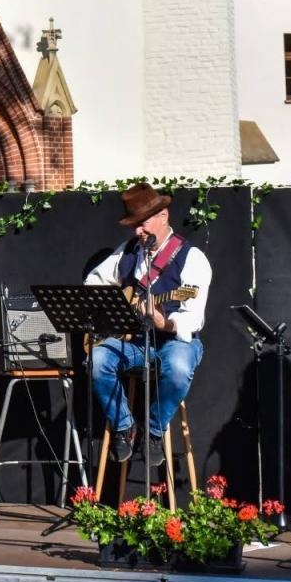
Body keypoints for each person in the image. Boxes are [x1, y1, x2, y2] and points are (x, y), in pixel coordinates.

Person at [85, 183, 212, 470]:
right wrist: (115, 306)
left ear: (163, 216)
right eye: (134, 225)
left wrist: (163, 321)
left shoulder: (191, 258)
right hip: (135, 341)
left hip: (174, 341)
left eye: (141, 224)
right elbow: (94, 282)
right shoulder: (128, 251)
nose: (137, 232)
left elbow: (193, 319)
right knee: (98, 359)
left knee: (179, 368)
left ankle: (153, 430)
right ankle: (124, 426)